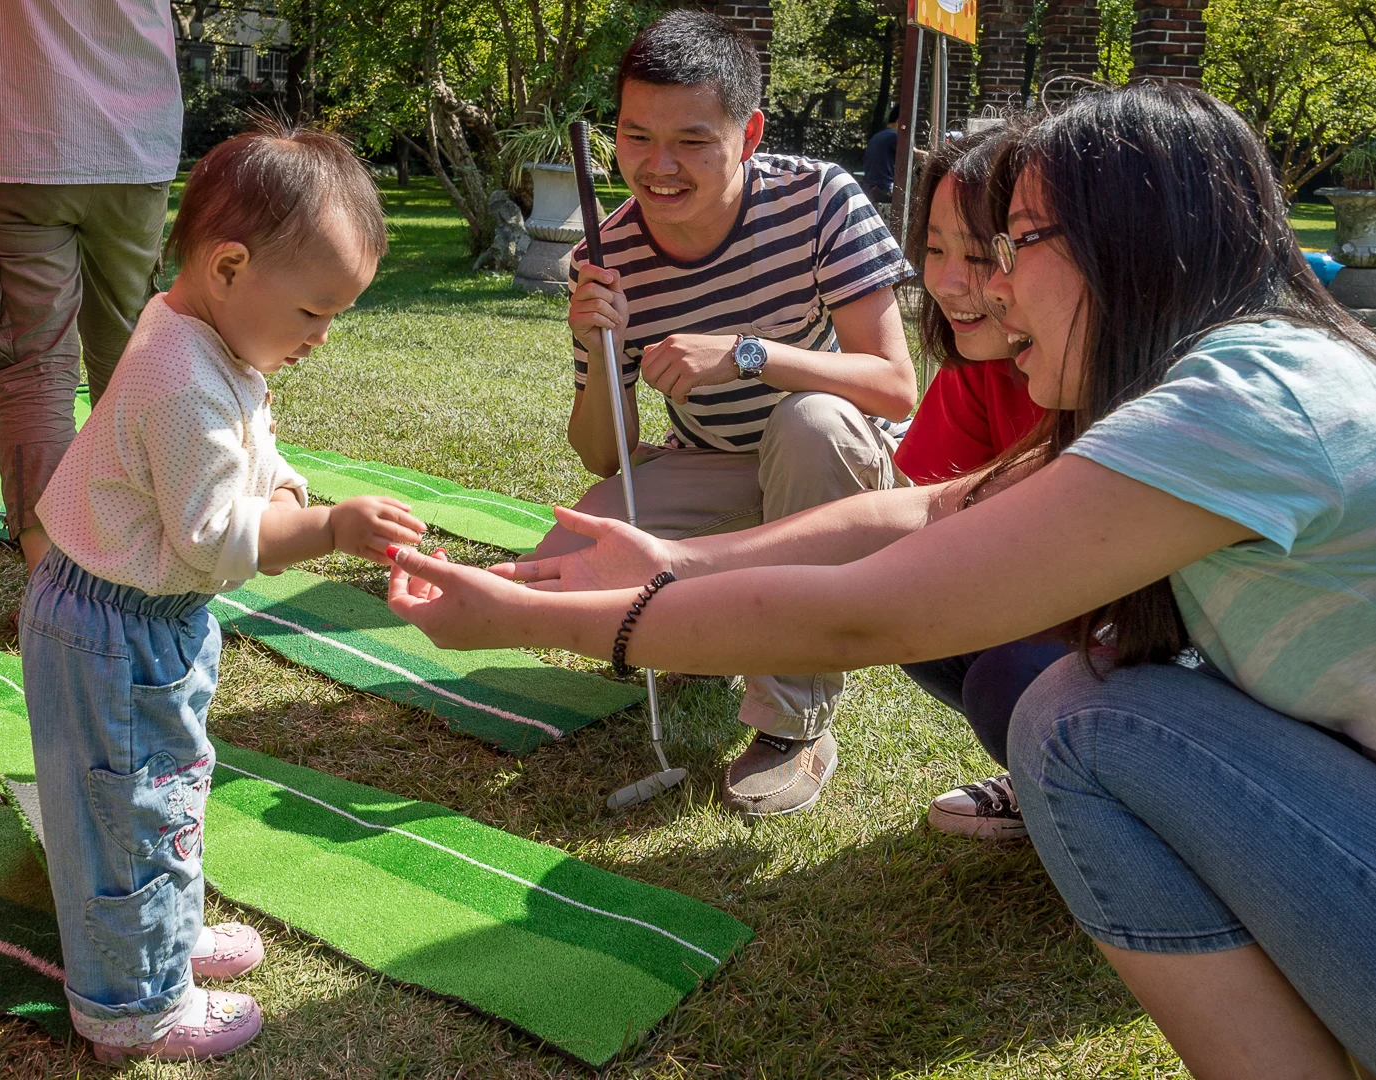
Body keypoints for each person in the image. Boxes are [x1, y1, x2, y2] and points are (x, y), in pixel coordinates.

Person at [384, 84, 1376, 1075]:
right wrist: (673, 562)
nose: (990, 290)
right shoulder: (1242, 374)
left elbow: (868, 615)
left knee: (1084, 723)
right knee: (1081, 709)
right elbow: (932, 510)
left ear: (1130, 242)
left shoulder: (1243, 402)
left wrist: (545, 622)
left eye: (1016, 244)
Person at [19, 124, 425, 1063]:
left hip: (137, 618)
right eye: (314, 311)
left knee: (158, 794)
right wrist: (325, 527)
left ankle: (162, 934)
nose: (321, 337)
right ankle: (136, 1007)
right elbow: (209, 537)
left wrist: (284, 492)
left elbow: (253, 452)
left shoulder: (212, 344)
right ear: (230, 266)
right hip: (114, 631)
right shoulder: (180, 380)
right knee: (132, 809)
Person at [552, 10, 917, 817]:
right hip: (712, 463)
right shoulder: (603, 257)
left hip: (838, 468)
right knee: (569, 556)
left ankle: (794, 723)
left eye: (691, 141)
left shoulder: (819, 198)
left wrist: (749, 352)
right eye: (636, 137)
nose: (658, 167)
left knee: (808, 423)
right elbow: (604, 457)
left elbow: (894, 385)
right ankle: (712, 633)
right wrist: (597, 348)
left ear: (747, 133)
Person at [0, 0, 183, 579]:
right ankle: (144, 547)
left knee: (33, 368)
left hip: (9, 142)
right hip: (132, 143)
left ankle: (55, 585)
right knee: (129, 353)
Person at [891, 128, 1065, 840]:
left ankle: (1080, 784)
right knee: (910, 601)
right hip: (1075, 603)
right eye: (934, 250)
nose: (949, 282)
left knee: (1014, 678)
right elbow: (923, 521)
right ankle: (1049, 772)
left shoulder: (1157, 382)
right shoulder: (979, 365)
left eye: (984, 254)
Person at [861, 105, 900, 207]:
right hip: (884, 189)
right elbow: (912, 153)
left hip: (869, 189)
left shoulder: (878, 136)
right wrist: (929, 155)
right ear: (900, 121)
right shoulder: (894, 136)